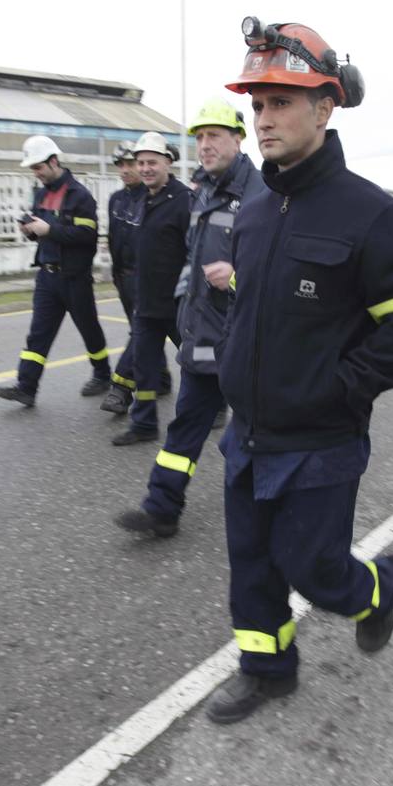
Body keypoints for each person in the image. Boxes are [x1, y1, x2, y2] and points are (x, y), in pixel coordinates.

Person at [203, 18, 393, 724]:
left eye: (281, 101)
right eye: (258, 104)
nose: (265, 117)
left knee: (317, 571)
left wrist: (344, 387)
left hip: (321, 440)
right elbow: (258, 305)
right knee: (251, 567)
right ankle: (267, 670)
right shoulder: (252, 208)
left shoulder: (370, 213)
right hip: (249, 432)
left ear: (325, 107)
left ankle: (378, 589)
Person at [115, 98, 264, 537]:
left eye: (214, 136)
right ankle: (161, 508)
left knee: (257, 432)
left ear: (238, 138)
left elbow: (276, 272)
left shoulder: (262, 194)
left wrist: (236, 279)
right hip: (202, 334)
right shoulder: (203, 192)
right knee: (184, 430)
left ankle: (271, 512)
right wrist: (184, 305)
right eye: (199, 137)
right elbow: (192, 258)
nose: (205, 145)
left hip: (245, 341)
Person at [0, 136, 110, 407]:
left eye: (38, 167)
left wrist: (50, 230)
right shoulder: (41, 193)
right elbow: (41, 231)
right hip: (47, 276)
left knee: (88, 329)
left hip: (74, 278)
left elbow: (87, 235)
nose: (36, 173)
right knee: (38, 333)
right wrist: (31, 232)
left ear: (53, 161)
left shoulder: (79, 195)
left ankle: (103, 375)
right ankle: (26, 387)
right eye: (33, 168)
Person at [110, 131, 191, 445]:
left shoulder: (184, 200)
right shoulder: (141, 198)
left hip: (176, 304)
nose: (145, 168)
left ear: (167, 163)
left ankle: (220, 405)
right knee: (144, 370)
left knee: (199, 361)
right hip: (145, 303)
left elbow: (195, 251)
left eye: (151, 162)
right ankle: (143, 424)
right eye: (140, 162)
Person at [102, 142, 170, 415]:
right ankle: (162, 378)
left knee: (141, 335)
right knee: (145, 334)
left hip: (149, 280)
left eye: (131, 163)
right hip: (124, 278)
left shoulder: (152, 197)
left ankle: (120, 389)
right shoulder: (117, 199)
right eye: (121, 165)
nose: (126, 170)